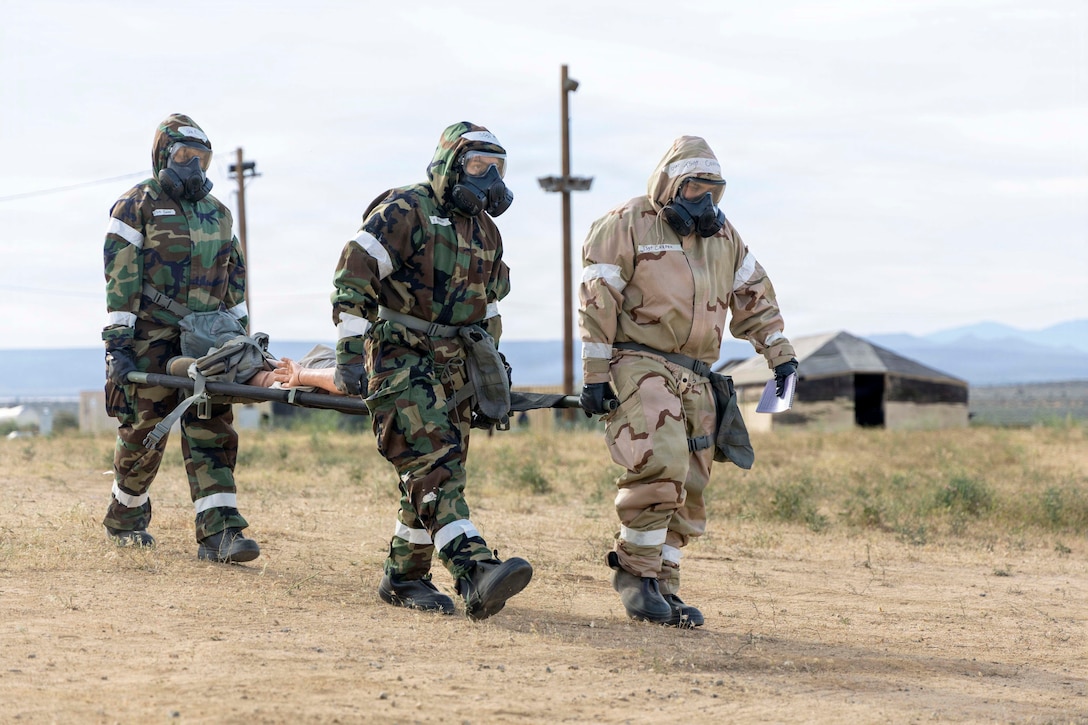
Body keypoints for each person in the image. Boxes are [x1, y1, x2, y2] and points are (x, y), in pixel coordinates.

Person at [578, 136, 798, 628]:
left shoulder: (725, 239)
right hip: (640, 360)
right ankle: (635, 575)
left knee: (693, 479)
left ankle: (665, 585)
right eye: (694, 187)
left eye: (713, 191)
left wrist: (780, 357)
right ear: (669, 184)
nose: (704, 199)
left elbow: (755, 297)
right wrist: (595, 376)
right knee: (663, 457)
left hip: (698, 373)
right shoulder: (625, 223)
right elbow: (597, 301)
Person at [331, 122, 533, 620]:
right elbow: (353, 273)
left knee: (437, 472)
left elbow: (488, 306)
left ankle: (403, 577)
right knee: (433, 464)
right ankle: (475, 570)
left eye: (498, 168)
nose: (490, 178)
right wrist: (349, 352)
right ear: (450, 165)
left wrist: (491, 369)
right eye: (479, 166)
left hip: (456, 365)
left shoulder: (487, 230)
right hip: (400, 356)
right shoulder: (405, 209)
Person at [101, 113, 260, 564]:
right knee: (143, 431)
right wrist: (118, 344)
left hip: (207, 341)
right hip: (150, 338)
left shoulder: (220, 215)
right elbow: (120, 281)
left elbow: (236, 282)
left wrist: (242, 345)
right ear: (162, 155)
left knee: (212, 427)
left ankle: (220, 533)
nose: (194, 167)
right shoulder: (135, 206)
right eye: (185, 157)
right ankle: (126, 515)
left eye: (202, 159)